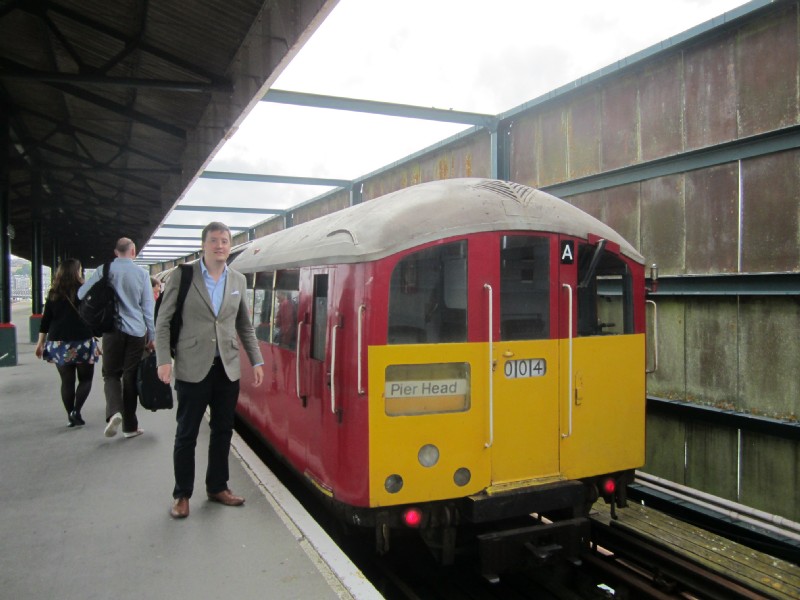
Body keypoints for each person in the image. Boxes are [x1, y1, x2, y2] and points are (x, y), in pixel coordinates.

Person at [155, 222, 263, 519]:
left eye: (224, 241)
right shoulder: (183, 276)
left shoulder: (237, 280)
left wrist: (256, 360)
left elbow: (244, 325)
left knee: (223, 430)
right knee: (187, 433)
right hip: (192, 366)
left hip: (227, 368)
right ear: (203, 245)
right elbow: (163, 321)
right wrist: (163, 359)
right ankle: (182, 494)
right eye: (214, 240)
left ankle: (217, 487)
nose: (219, 246)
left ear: (229, 246)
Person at [79, 238, 155, 440]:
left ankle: (114, 412)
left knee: (111, 374)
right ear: (133, 251)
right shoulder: (142, 274)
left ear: (115, 252)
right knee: (130, 376)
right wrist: (152, 336)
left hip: (112, 330)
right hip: (137, 332)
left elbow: (81, 293)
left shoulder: (104, 270)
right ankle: (130, 427)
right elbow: (148, 308)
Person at [34, 259, 99, 427]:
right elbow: (92, 315)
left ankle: (70, 415)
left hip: (58, 342)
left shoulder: (54, 293)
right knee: (85, 379)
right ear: (77, 272)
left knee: (67, 381)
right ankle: (76, 411)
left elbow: (46, 320)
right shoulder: (85, 290)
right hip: (82, 340)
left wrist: (40, 343)